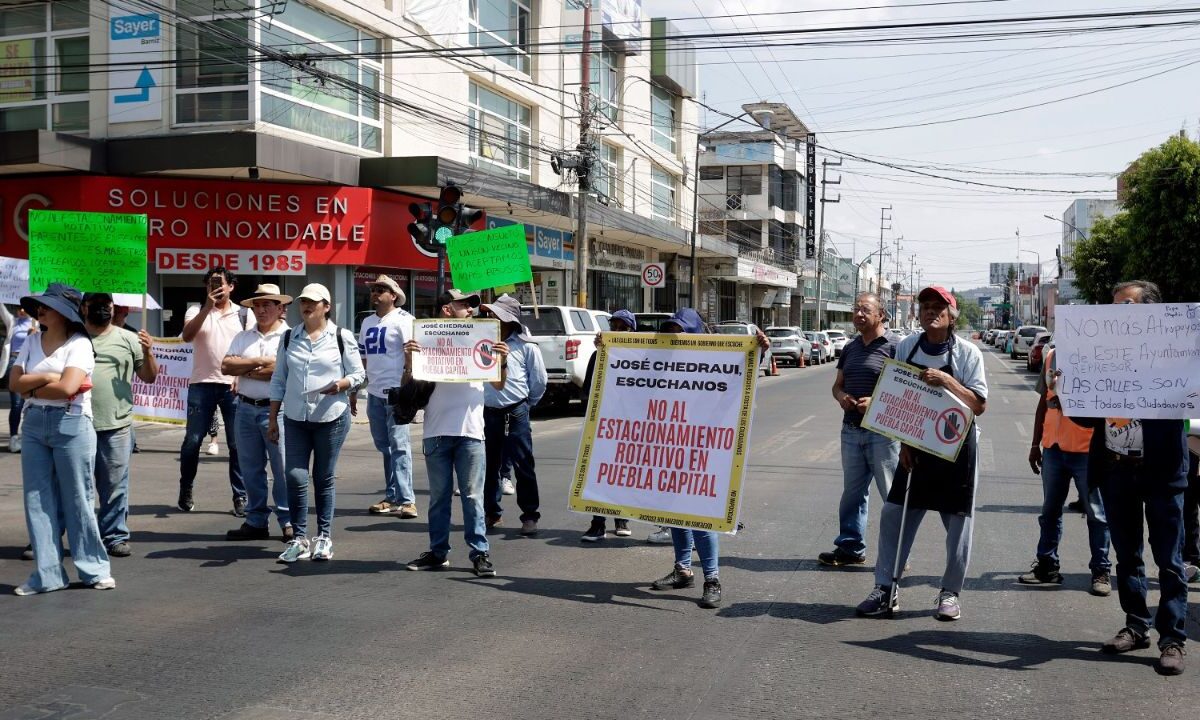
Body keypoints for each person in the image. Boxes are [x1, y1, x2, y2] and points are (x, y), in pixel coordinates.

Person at [1067, 280, 1188, 676]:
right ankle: (1137, 626)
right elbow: (1086, 418)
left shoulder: (1177, 358)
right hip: (1117, 470)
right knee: (1127, 556)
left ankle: (1172, 638)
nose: (1119, 314)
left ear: (1150, 312)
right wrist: (1071, 391)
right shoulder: (1104, 361)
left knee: (1169, 560)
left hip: (1162, 473)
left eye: (1128, 306)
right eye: (1115, 306)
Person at [856, 286, 987, 622]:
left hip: (957, 451)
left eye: (939, 307)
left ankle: (950, 593)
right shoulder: (907, 347)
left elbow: (978, 404)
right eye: (926, 306)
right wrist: (905, 444)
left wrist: (946, 381)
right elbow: (896, 397)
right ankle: (885, 588)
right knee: (893, 516)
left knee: (959, 527)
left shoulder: (968, 354)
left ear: (952, 315)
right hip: (914, 450)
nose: (931, 312)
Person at [648, 308, 769, 609]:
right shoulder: (662, 359)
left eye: (682, 331)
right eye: (672, 331)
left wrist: (761, 352)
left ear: (697, 334)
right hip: (671, 446)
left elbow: (744, 378)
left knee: (699, 515)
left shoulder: (717, 359)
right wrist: (605, 347)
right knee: (673, 512)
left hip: (705, 448)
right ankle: (683, 569)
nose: (675, 336)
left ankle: (712, 579)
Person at [11, 283, 113, 595]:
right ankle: (47, 575)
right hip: (34, 423)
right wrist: (45, 379)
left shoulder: (80, 343)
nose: (40, 310)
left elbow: (68, 388)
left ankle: (94, 569)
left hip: (71, 422)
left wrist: (32, 385)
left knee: (77, 497)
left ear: (65, 312)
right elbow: (14, 383)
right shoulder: (31, 340)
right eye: (39, 305)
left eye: (48, 306)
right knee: (37, 500)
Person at [404, 289, 508, 577]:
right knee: (439, 497)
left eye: (472, 306)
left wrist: (502, 360)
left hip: (472, 433)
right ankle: (438, 552)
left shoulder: (481, 339)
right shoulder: (425, 339)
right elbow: (410, 386)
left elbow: (498, 385)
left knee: (473, 497)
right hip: (436, 431)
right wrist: (410, 359)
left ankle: (480, 553)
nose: (471, 311)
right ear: (448, 310)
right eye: (465, 306)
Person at [269, 283, 364, 563]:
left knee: (323, 477)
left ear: (327, 306)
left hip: (331, 417)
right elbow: (279, 380)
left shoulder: (341, 336)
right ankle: (299, 539)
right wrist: (272, 418)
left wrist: (341, 384)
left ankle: (324, 537)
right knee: (295, 476)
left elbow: (359, 374)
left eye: (313, 302)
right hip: (296, 417)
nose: (307, 306)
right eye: (303, 302)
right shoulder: (288, 338)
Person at [1019, 343, 1111, 596]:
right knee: (1049, 511)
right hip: (1054, 448)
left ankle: (1101, 571)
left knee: (1096, 514)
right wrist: (1035, 443)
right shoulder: (1051, 357)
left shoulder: (1099, 357)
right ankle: (1047, 565)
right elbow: (1043, 402)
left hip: (1087, 449)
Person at [820, 292, 900, 567]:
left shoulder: (895, 347)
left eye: (865, 309)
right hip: (851, 430)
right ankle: (851, 547)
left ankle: (898, 553)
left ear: (881, 315)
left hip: (883, 434)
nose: (859, 314)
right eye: (856, 310)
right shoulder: (851, 348)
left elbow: (907, 391)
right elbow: (837, 385)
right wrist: (841, 396)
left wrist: (877, 403)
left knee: (892, 496)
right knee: (852, 494)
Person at [81, 293, 159, 558]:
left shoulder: (129, 338)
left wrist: (148, 351)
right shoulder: (74, 337)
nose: (103, 309)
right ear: (84, 308)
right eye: (96, 305)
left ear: (113, 308)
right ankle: (55, 535)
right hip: (78, 423)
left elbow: (149, 377)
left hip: (116, 425)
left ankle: (114, 536)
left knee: (114, 486)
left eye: (107, 305)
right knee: (71, 484)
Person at [223, 284, 292, 542]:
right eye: (257, 305)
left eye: (267, 305)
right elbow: (227, 365)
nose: (261, 310)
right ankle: (256, 520)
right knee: (250, 468)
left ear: (280, 308)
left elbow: (281, 371)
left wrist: (246, 369)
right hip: (244, 407)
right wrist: (259, 363)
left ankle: (288, 520)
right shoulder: (244, 336)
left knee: (283, 468)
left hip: (277, 409)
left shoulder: (289, 336)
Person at [178, 267, 247, 515]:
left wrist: (241, 376)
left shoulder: (244, 315)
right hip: (201, 384)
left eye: (220, 284)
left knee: (237, 444)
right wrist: (207, 306)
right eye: (210, 284)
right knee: (192, 441)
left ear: (231, 287)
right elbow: (187, 336)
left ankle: (240, 496)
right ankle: (186, 487)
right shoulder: (196, 310)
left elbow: (249, 351)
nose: (216, 288)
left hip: (232, 386)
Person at [481, 294, 547, 536]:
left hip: (516, 410)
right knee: (489, 465)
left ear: (509, 320)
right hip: (487, 412)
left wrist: (525, 405)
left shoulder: (526, 346)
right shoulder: (480, 341)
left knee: (523, 465)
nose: (490, 318)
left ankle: (530, 515)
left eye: (495, 315)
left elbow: (538, 381)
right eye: (489, 314)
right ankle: (492, 513)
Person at [360, 275, 418, 520]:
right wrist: (357, 389)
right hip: (374, 392)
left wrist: (408, 382)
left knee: (400, 446)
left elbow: (412, 353)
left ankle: (407, 500)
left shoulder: (404, 320)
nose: (375, 293)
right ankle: (392, 495)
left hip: (397, 391)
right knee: (385, 447)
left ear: (393, 295)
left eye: (381, 289)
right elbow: (363, 358)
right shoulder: (367, 322)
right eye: (373, 289)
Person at [580, 309, 636, 542]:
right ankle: (597, 523)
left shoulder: (643, 357)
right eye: (615, 327)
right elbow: (587, 392)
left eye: (624, 328)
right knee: (599, 473)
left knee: (623, 473)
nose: (619, 331)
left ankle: (621, 518)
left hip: (631, 426)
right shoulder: (599, 356)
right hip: (605, 424)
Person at [2, 304, 35, 452]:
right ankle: (14, 437)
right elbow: (1, 309)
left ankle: (28, 437)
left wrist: (34, 334)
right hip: (14, 362)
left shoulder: (37, 323)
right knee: (16, 403)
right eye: (19, 308)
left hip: (31, 364)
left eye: (24, 308)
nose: (21, 310)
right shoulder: (12, 322)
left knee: (29, 402)